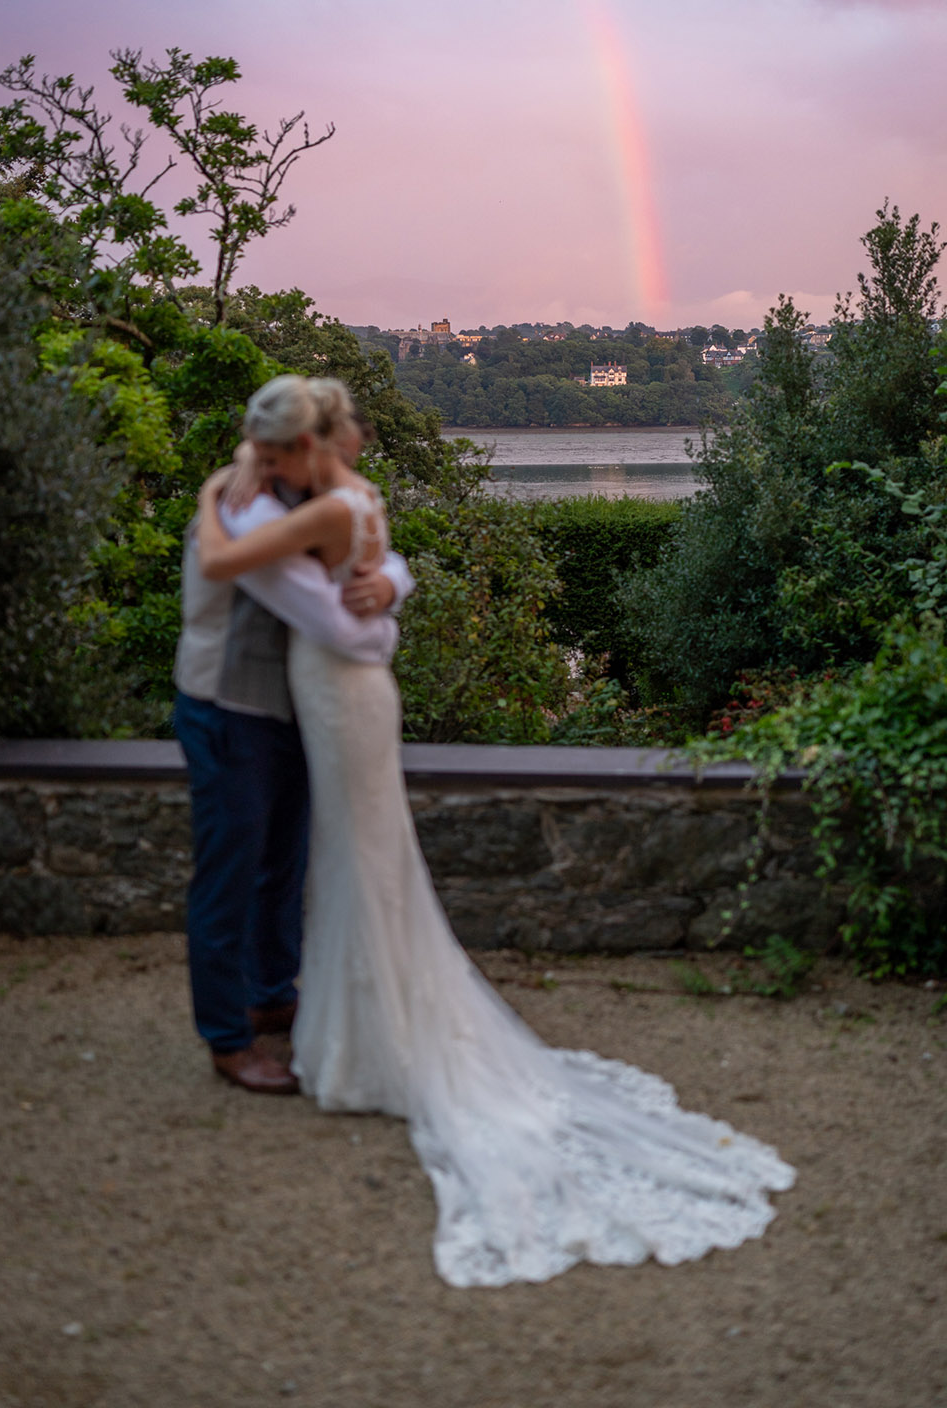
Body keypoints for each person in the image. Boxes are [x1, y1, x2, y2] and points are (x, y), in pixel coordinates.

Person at [197, 373, 795, 1288]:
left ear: (304, 448)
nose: (279, 457)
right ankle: (251, 1028)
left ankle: (323, 1012)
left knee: (340, 857)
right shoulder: (275, 489)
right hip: (251, 702)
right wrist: (373, 586)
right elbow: (286, 571)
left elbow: (349, 599)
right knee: (295, 859)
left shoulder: (308, 499)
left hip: (328, 697)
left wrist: (385, 597)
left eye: (283, 448)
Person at [173, 393, 414, 1095]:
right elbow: (336, 622)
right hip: (228, 704)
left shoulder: (294, 489)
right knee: (229, 868)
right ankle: (227, 1037)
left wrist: (393, 580)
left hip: (291, 707)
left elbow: (371, 554)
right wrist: (387, 621)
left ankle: (271, 990)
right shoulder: (246, 504)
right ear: (303, 448)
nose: (343, 464)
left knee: (283, 856)